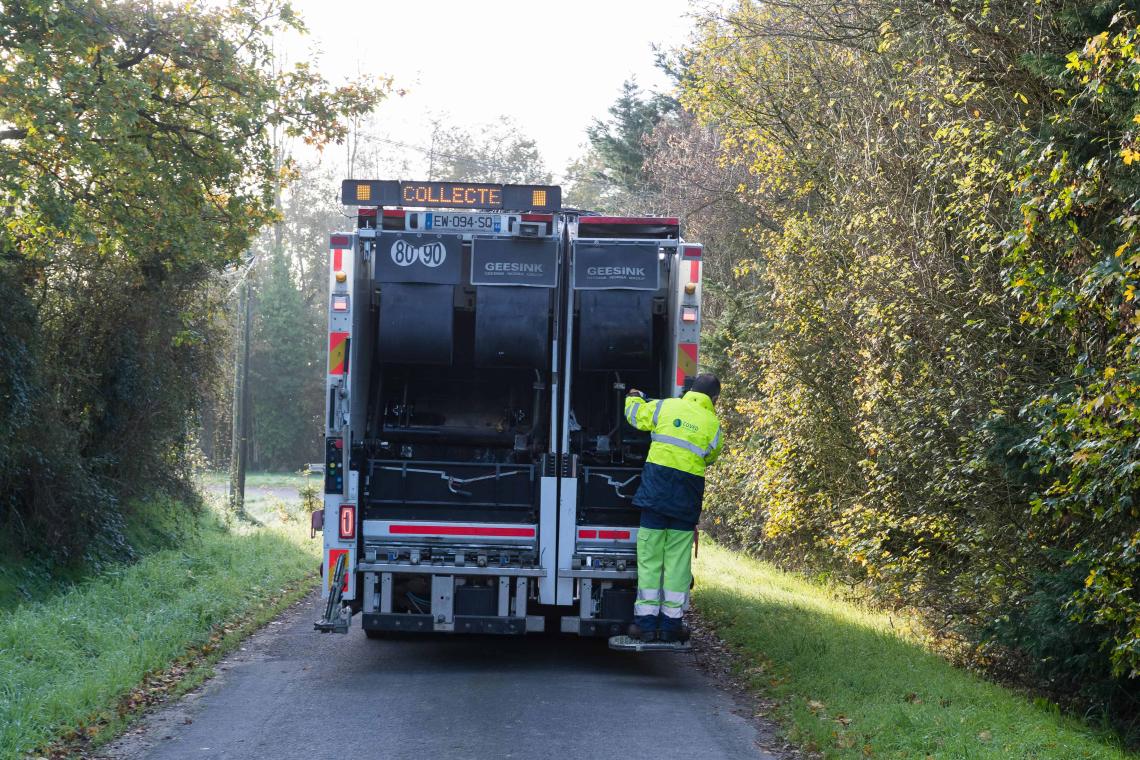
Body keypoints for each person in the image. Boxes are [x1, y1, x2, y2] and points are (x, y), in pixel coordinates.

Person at [623, 373, 723, 643]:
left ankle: (644, 625)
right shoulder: (713, 425)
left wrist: (633, 397)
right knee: (677, 564)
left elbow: (635, 417)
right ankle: (670, 627)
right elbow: (711, 456)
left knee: (650, 560)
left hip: (655, 497)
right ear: (714, 400)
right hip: (684, 503)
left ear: (690, 390)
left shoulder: (665, 406)